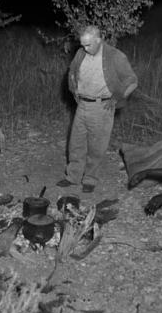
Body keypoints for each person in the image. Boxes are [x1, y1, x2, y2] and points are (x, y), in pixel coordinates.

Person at [56, 25, 138, 193]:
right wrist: (74, 91)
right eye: (82, 45)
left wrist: (118, 97)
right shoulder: (81, 53)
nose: (84, 49)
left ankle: (90, 179)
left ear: (99, 40)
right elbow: (72, 73)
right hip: (82, 105)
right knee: (76, 143)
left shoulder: (115, 56)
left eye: (88, 45)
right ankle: (73, 177)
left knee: (96, 146)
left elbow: (132, 81)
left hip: (102, 107)